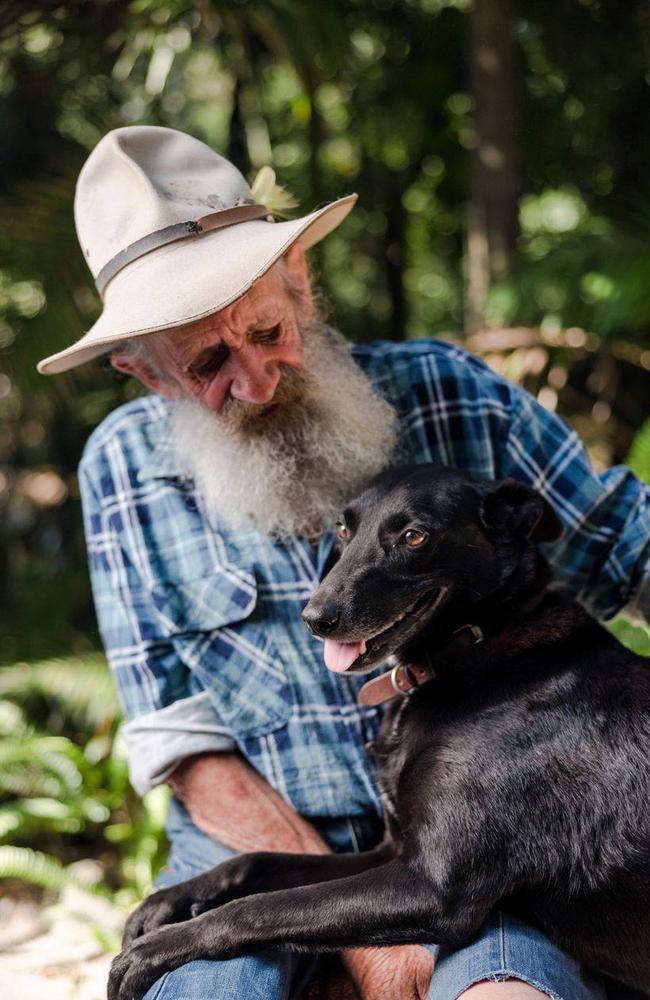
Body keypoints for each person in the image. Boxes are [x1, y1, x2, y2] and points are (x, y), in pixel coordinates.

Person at [39, 125, 649, 1000]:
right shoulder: (120, 476)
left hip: (487, 835)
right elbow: (186, 745)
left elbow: (631, 545)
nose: (256, 379)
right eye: (209, 362)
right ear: (148, 375)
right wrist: (367, 932)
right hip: (262, 844)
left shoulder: (454, 389)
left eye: (267, 329)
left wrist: (405, 898)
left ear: (303, 285)